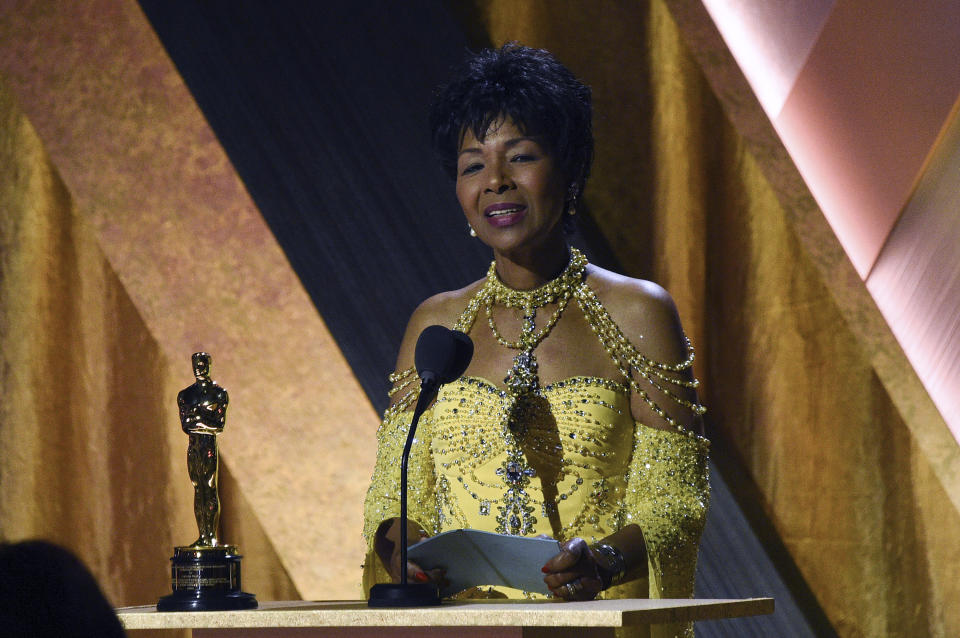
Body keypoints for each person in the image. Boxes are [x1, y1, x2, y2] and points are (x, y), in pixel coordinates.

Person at [363, 43, 709, 638]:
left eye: (520, 157)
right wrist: (407, 556)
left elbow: (675, 500)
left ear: (570, 171)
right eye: (472, 165)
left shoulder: (637, 311)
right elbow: (392, 499)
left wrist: (600, 562)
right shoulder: (435, 323)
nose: (495, 181)